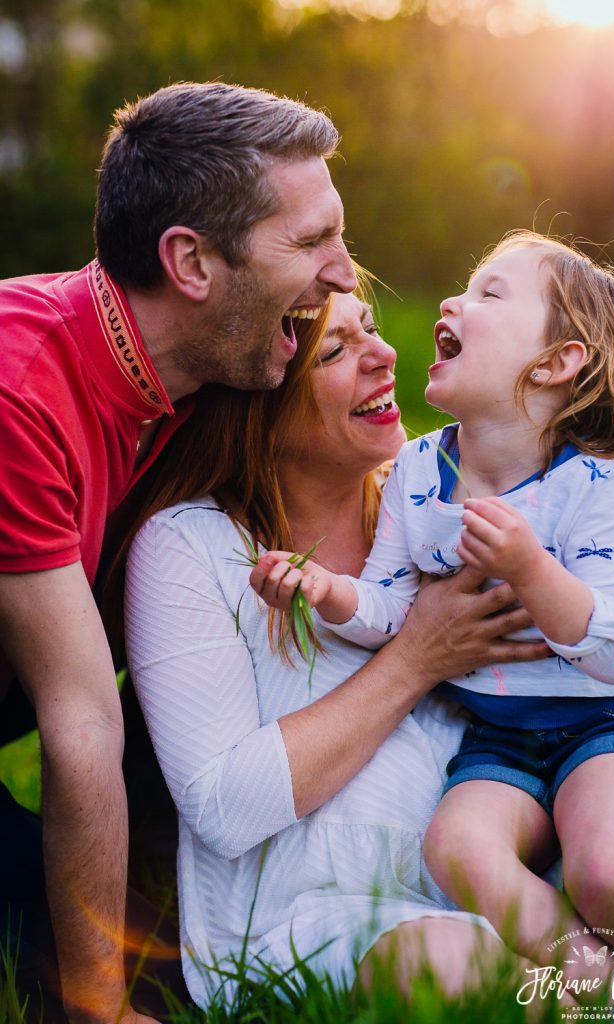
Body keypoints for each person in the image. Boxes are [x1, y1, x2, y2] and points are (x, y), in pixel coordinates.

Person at [0, 80, 357, 1024]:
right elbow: (80, 726)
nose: (345, 274)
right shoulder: (19, 393)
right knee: (114, 976)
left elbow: (417, 517)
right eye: (313, 241)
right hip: (47, 712)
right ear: (191, 262)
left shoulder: (212, 371)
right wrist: (100, 1009)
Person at [252, 232, 614, 1014]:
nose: (452, 302)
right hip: (500, 734)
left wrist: (532, 570)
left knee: (605, 871)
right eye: (465, 285)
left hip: (610, 719)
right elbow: (392, 609)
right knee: (455, 849)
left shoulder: (592, 486)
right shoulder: (418, 473)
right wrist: (329, 591)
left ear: (554, 364)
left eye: (489, 295)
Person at [123, 288, 564, 1011]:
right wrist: (417, 656)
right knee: (454, 963)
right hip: (307, 919)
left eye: (372, 331)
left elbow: (608, 630)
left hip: (503, 875)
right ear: (259, 403)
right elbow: (224, 804)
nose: (384, 356)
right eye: (335, 350)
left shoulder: (439, 511)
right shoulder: (193, 547)